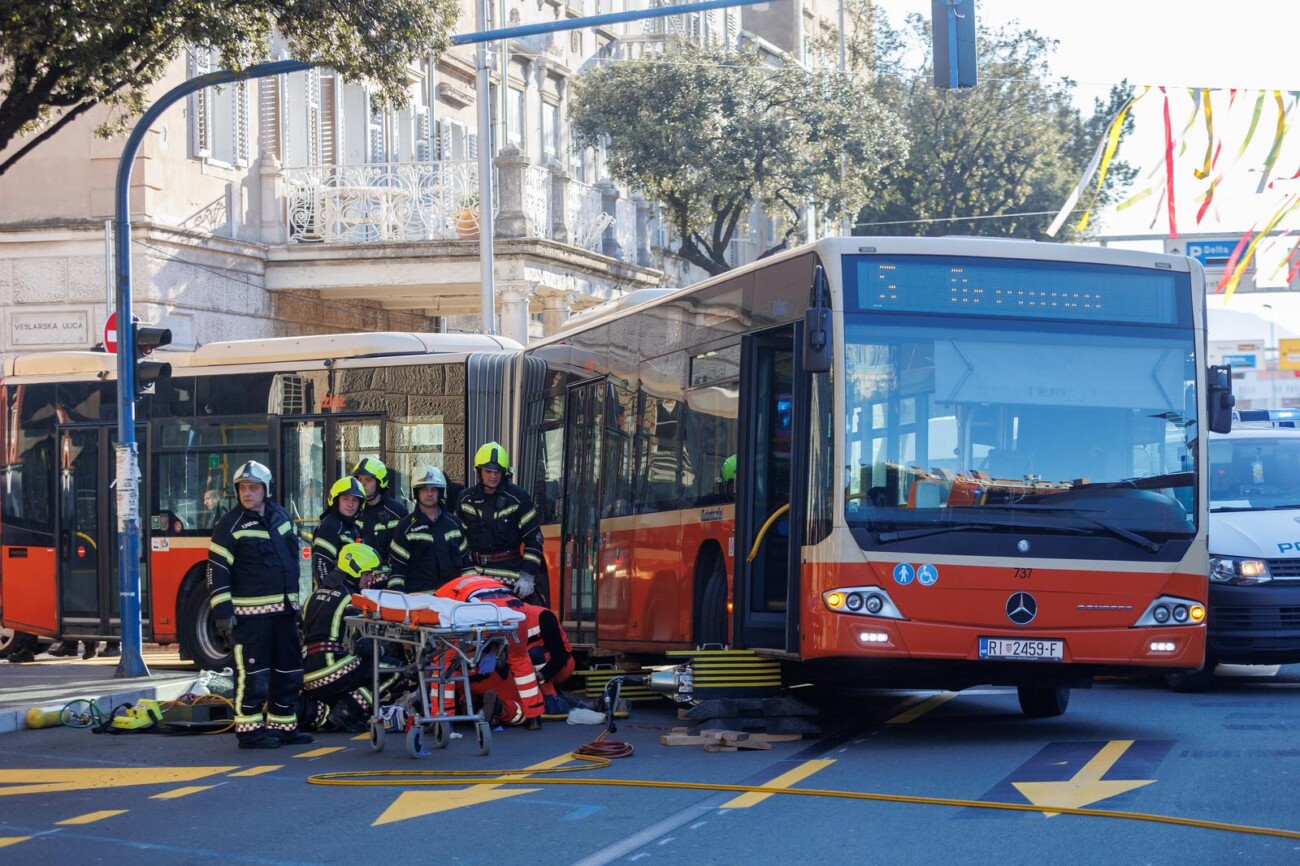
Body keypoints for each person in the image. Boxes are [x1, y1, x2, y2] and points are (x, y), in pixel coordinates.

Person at [206, 460, 312, 750]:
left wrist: (298, 602)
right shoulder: (230, 526)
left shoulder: (282, 517)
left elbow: (296, 561)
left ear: (267, 489)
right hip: (250, 618)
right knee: (254, 676)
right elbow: (216, 572)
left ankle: (283, 727)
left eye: (253, 488)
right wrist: (223, 615)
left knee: (289, 671)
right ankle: (250, 732)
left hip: (285, 613)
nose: (247, 493)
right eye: (242, 488)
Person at [299, 542, 403, 733]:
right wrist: (384, 648)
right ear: (354, 571)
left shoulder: (313, 596)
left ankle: (332, 714)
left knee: (358, 669)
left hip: (306, 674)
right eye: (366, 574)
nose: (369, 579)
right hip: (331, 671)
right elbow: (363, 646)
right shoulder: (351, 600)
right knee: (395, 669)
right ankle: (347, 712)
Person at [438, 574, 545, 730]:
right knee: (520, 658)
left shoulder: (446, 590)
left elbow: (435, 613)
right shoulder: (487, 581)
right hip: (513, 608)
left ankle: (442, 718)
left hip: (482, 610)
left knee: (442, 661)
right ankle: (535, 716)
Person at [455, 442, 546, 604]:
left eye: (497, 472)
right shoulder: (466, 499)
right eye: (488, 471)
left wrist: (527, 577)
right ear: (479, 471)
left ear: (504, 473)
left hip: (509, 579)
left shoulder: (518, 498)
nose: (493, 476)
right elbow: (456, 542)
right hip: (473, 578)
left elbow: (535, 540)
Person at [388, 466, 477, 594]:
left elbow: (466, 564)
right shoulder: (405, 527)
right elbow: (397, 571)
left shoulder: (454, 524)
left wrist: (471, 592)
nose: (429, 494)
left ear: (440, 492)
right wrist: (399, 601)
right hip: (418, 602)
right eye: (424, 489)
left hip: (451, 599)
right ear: (416, 492)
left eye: (433, 489)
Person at [352, 457, 408, 564]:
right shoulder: (354, 510)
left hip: (388, 576)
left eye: (368, 480)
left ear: (380, 482)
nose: (363, 484)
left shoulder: (397, 512)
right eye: (360, 479)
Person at [311, 477, 365, 588]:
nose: (351, 505)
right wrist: (330, 593)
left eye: (355, 500)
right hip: (333, 597)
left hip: (349, 593)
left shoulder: (352, 526)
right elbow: (321, 567)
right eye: (345, 499)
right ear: (336, 501)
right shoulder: (330, 526)